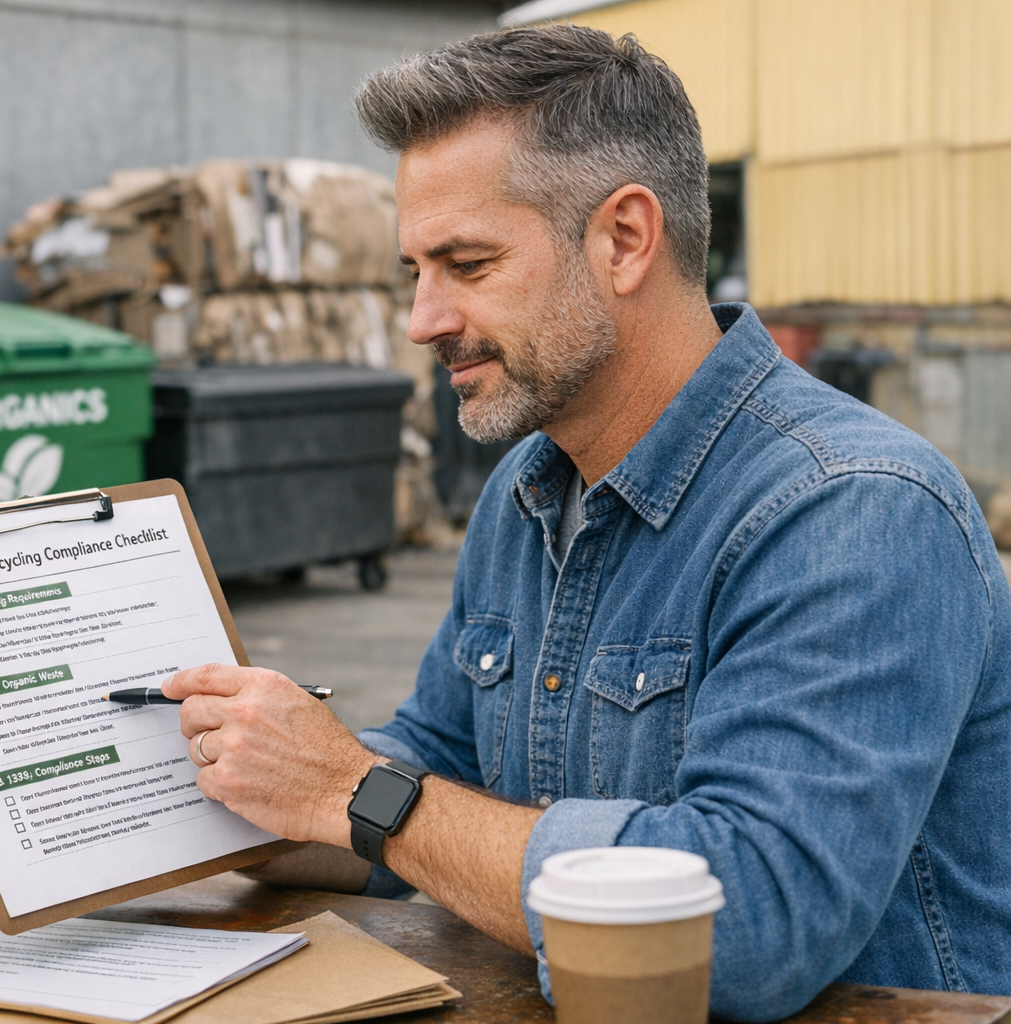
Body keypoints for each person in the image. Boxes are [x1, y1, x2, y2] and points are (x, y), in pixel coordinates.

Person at [162, 24, 1011, 1023]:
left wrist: (351, 789)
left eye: (466, 265)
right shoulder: (527, 490)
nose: (422, 320)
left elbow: (745, 926)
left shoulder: (852, 510)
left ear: (623, 239)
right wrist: (227, 795)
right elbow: (435, 775)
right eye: (413, 272)